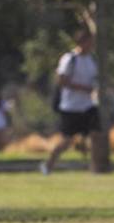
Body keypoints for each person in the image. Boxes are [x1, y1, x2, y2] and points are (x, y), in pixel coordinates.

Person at [42, 26, 99, 173]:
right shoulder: (69, 59)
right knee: (66, 141)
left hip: (88, 105)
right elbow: (61, 81)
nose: (91, 45)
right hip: (71, 106)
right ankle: (48, 165)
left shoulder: (92, 60)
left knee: (96, 134)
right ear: (81, 42)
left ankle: (95, 166)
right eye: (89, 42)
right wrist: (83, 88)